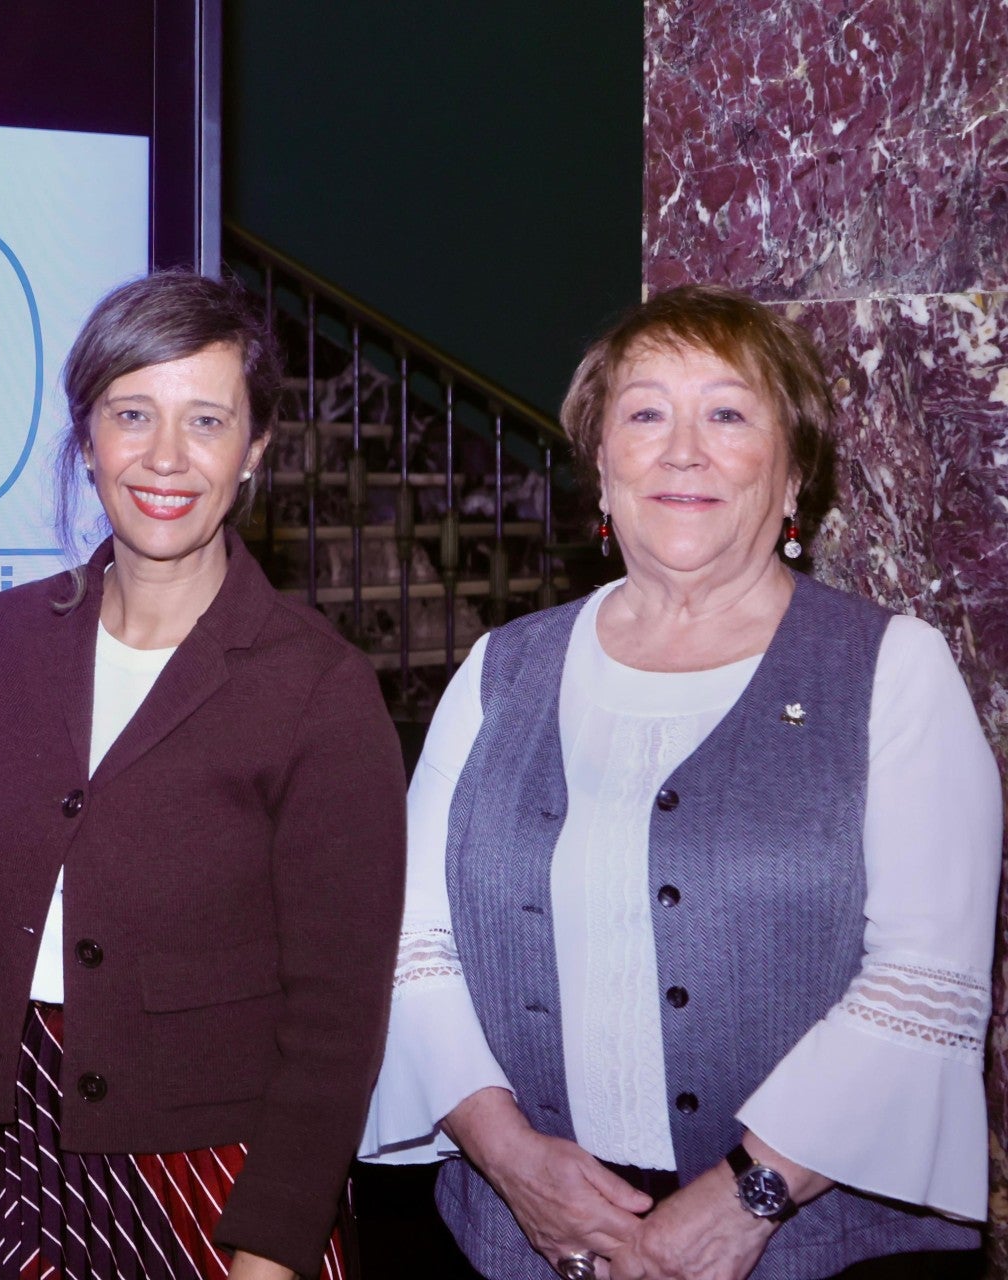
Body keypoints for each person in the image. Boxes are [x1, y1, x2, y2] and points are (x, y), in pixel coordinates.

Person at [359, 285, 998, 1280]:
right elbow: (412, 941)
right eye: (646, 412)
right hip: (517, 1238)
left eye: (729, 413)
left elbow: (927, 979)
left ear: (792, 479)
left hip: (813, 1246)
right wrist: (508, 1155)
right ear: (603, 473)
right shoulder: (497, 671)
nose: (683, 449)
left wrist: (750, 1192)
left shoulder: (893, 670)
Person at [0, 271, 407, 1280]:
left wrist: (268, 1254)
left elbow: (336, 1023)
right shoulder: (2, 643)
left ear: (254, 449)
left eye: (206, 420)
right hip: (2, 1166)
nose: (166, 457)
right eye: (133, 413)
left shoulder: (318, 688)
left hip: (214, 1188)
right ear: (87, 436)